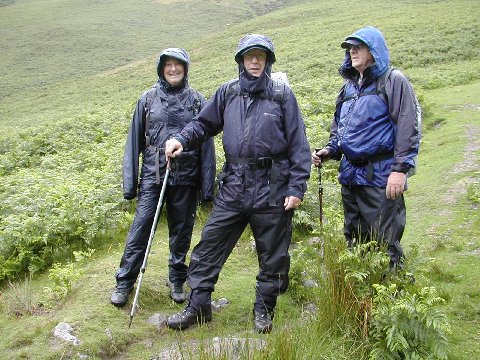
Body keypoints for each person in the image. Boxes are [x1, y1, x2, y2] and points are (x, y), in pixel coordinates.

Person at [164, 34, 311, 333]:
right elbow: (203, 125)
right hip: (234, 183)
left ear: (268, 60)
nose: (255, 61)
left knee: (273, 254)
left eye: (260, 56)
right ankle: (198, 306)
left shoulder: (282, 95)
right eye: (249, 56)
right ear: (241, 61)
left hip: (272, 185)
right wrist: (180, 139)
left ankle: (263, 309)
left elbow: (299, 144)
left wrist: (296, 187)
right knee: (209, 245)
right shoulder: (227, 93)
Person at [110, 48, 216, 307]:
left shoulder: (198, 101)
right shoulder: (147, 100)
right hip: (152, 175)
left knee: (182, 231)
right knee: (141, 227)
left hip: (187, 175)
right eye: (168, 65)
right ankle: (124, 282)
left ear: (186, 68)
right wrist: (129, 184)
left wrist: (207, 187)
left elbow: (207, 146)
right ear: (161, 68)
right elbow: (133, 143)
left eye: (178, 65)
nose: (173, 69)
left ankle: (177, 279)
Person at [312, 26, 420, 268]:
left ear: (374, 51)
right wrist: (329, 151)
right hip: (350, 177)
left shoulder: (393, 81)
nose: (352, 51)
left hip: (380, 177)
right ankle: (362, 298)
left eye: (358, 47)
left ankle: (392, 297)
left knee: (384, 240)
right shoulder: (348, 88)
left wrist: (400, 170)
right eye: (350, 48)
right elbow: (339, 129)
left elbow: (408, 126)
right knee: (354, 238)